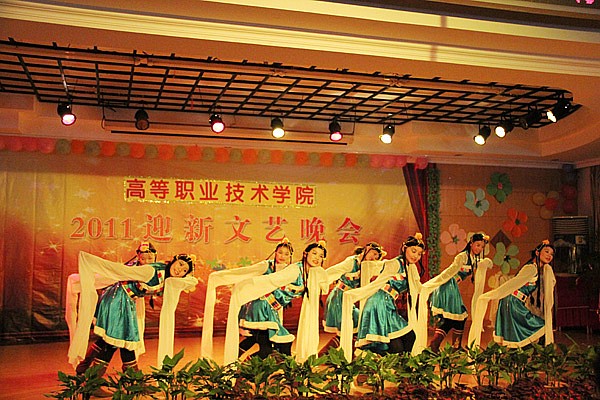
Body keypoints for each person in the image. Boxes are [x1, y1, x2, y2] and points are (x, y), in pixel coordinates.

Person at [68, 251, 197, 396]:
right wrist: (93, 262)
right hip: (118, 300)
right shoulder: (151, 271)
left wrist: (188, 277)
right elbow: (122, 271)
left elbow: (192, 282)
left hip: (125, 300)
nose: (179, 270)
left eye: (184, 270)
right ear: (173, 260)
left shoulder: (169, 278)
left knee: (120, 340)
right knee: (115, 341)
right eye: (180, 264)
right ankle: (95, 382)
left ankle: (86, 370)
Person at [222, 241, 329, 364]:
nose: (317, 258)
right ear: (305, 254)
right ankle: (245, 367)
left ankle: (244, 366)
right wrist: (246, 286)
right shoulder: (294, 270)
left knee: (266, 344)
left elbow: (325, 285)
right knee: (277, 345)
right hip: (263, 307)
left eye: (321, 256)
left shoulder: (311, 273)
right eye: (314, 253)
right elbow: (271, 280)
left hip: (270, 308)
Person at [70, 241, 159, 375]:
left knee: (114, 338)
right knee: (119, 338)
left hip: (121, 303)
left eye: (150, 258)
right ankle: (103, 376)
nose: (146, 261)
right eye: (143, 258)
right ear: (138, 256)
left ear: (155, 257)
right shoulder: (136, 269)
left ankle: (85, 367)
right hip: (117, 304)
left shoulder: (141, 268)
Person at [200, 238, 294, 360]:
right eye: (280, 252)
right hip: (259, 309)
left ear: (290, 256)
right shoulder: (266, 265)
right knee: (270, 343)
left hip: (272, 309)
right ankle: (246, 363)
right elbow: (244, 272)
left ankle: (239, 360)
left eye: (286, 254)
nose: (282, 256)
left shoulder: (289, 271)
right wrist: (220, 277)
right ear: (275, 252)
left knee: (258, 339)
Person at [340, 233, 426, 359]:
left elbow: (419, 288)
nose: (416, 256)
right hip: (379, 303)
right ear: (404, 248)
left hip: (387, 303)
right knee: (399, 344)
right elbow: (378, 283)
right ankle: (388, 364)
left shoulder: (410, 267)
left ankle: (392, 364)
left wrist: (436, 285)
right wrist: (355, 294)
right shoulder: (395, 264)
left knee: (408, 337)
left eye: (419, 254)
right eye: (413, 251)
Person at [467, 240, 556, 349]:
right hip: (512, 302)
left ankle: (520, 355)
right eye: (546, 252)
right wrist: (493, 294)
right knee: (539, 327)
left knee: (517, 336)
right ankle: (534, 354)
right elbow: (513, 283)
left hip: (513, 301)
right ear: (537, 253)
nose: (549, 256)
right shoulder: (531, 268)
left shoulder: (535, 268)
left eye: (551, 254)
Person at [417, 233, 493, 352]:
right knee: (460, 316)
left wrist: (487, 263)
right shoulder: (462, 257)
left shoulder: (474, 259)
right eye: (477, 245)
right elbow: (450, 271)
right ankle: (443, 346)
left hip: (452, 286)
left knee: (453, 319)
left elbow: (483, 266)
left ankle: (442, 346)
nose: (479, 248)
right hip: (448, 285)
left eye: (482, 247)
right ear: (471, 243)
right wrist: (434, 283)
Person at [322, 242, 385, 336]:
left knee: (358, 320)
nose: (374, 258)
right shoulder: (351, 262)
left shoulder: (367, 265)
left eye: (377, 257)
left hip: (349, 298)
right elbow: (334, 271)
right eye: (374, 254)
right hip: (339, 297)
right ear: (367, 249)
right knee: (347, 323)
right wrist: (319, 279)